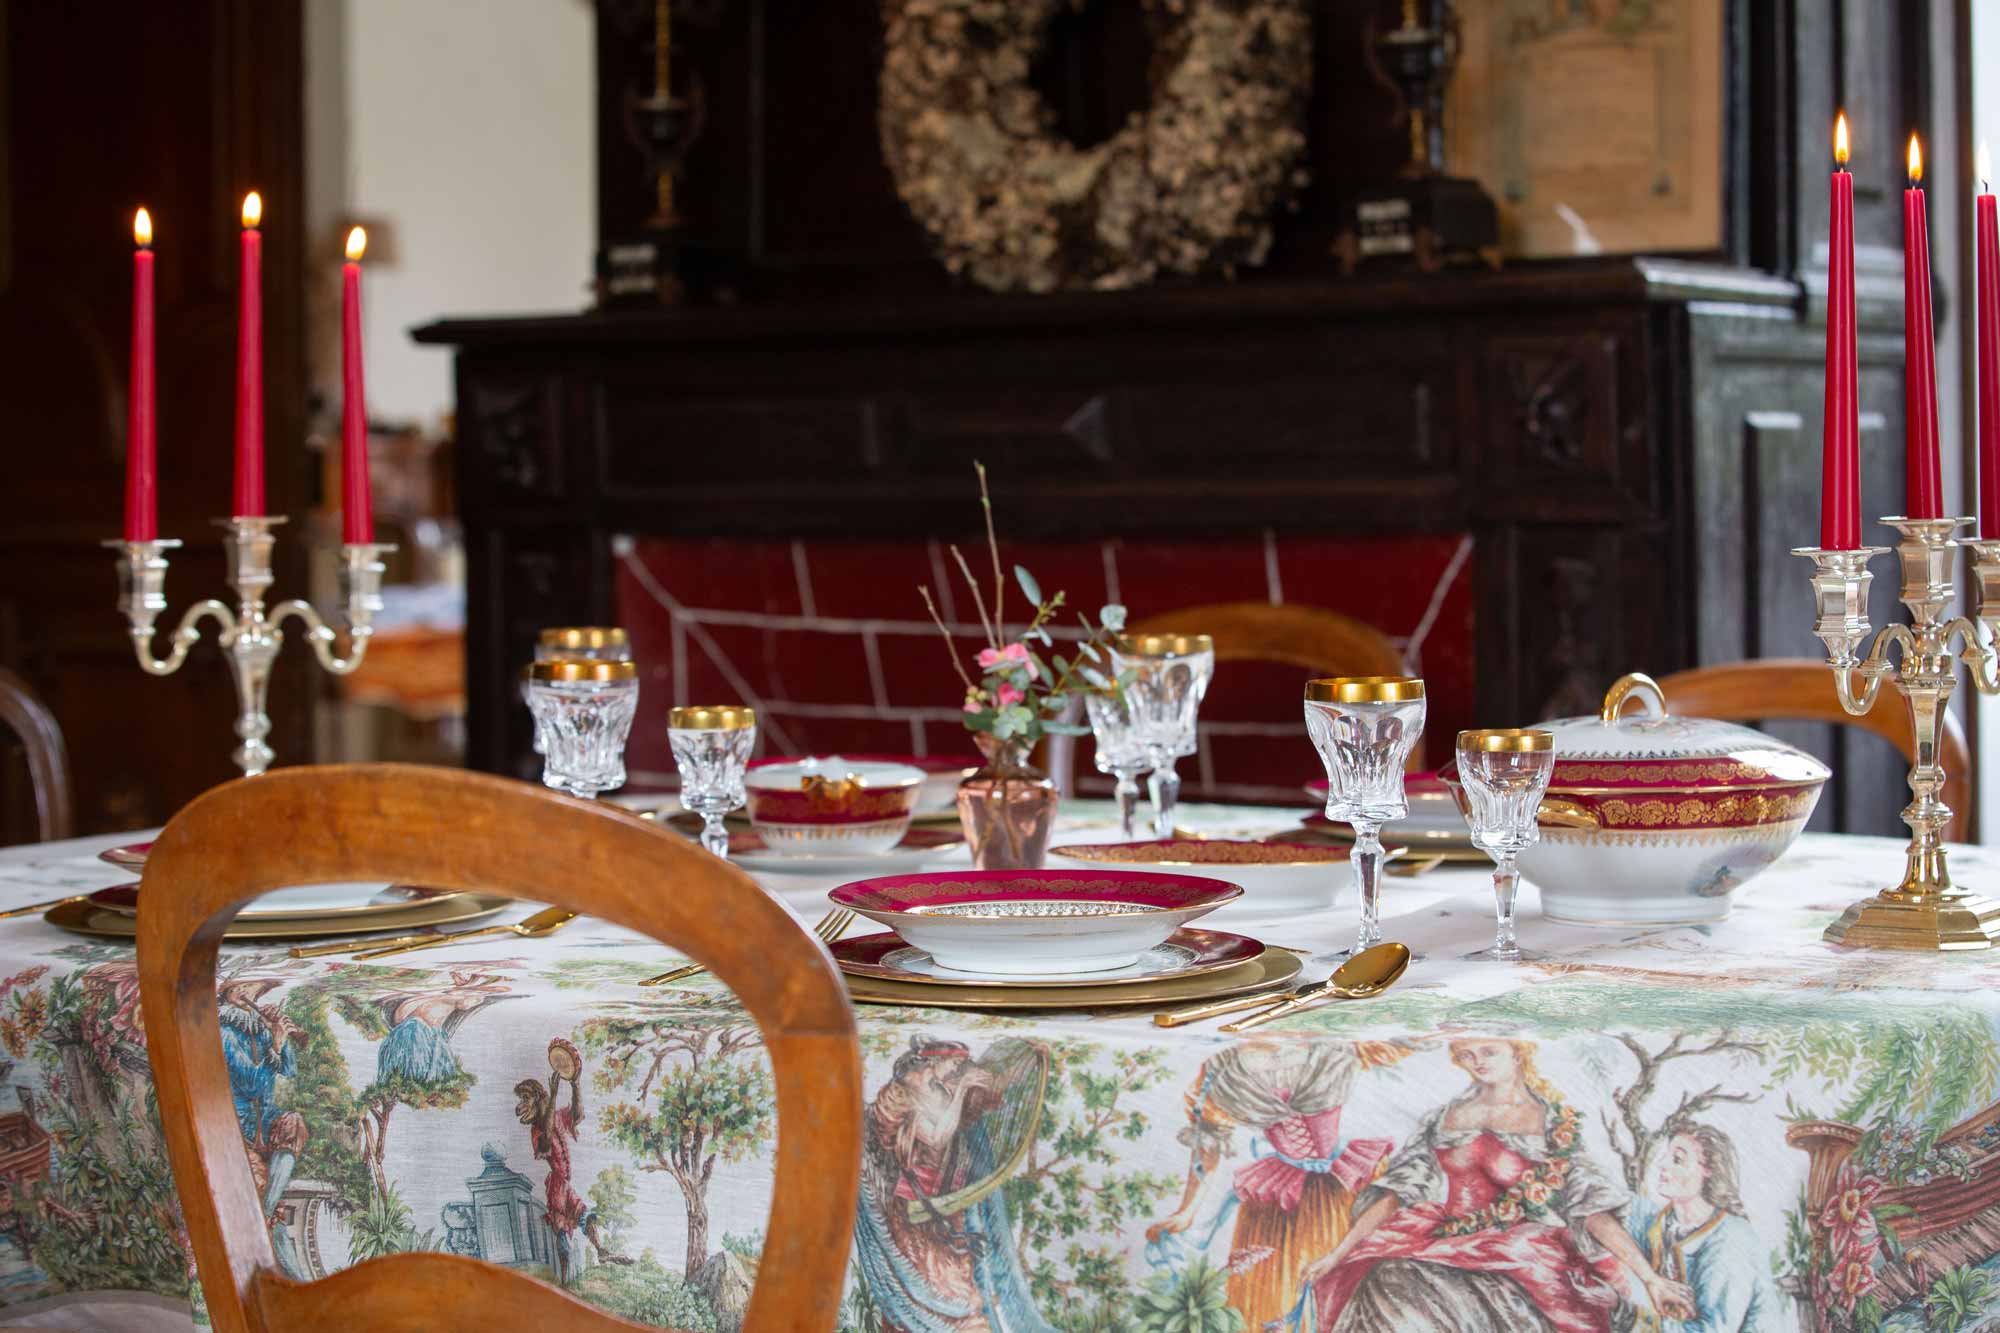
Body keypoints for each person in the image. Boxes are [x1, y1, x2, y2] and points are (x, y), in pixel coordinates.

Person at [1299, 1036, 1695, 1332]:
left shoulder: (1550, 1121)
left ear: (1517, 1052)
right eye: (1467, 1055)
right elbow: (1395, 1194)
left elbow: (1591, 1207)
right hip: (1444, 1236)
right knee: (1384, 1277)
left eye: (1489, 1052)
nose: (1478, 1063)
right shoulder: (1445, 1117)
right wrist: (1336, 1254)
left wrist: (1651, 1278)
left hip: (1520, 1245)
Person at [1146, 1039, 1412, 1329]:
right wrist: (1187, 1210)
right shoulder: (1224, 1067)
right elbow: (1207, 1141)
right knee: (1268, 1297)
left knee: (1333, 1293)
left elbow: (1406, 1043)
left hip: (1339, 1188)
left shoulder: (1334, 1046)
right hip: (1278, 1201)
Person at [851, 1035, 1054, 1332]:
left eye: (961, 1066)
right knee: (932, 1297)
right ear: (936, 1062)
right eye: (955, 1065)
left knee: (965, 1295)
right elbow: (936, 1136)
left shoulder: (950, 1083)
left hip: (947, 1214)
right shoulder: (908, 1088)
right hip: (913, 1217)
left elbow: (997, 1084)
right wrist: (962, 1089)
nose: (959, 1070)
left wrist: (1030, 1058)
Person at [1626, 1126, 1772, 1331]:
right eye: (1666, 1156)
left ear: (1708, 1170)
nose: (1662, 1164)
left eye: (1677, 1159)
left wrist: (1630, 1318)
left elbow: (1713, 1329)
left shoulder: (1731, 1239)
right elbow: (1598, 1207)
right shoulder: (1656, 1221)